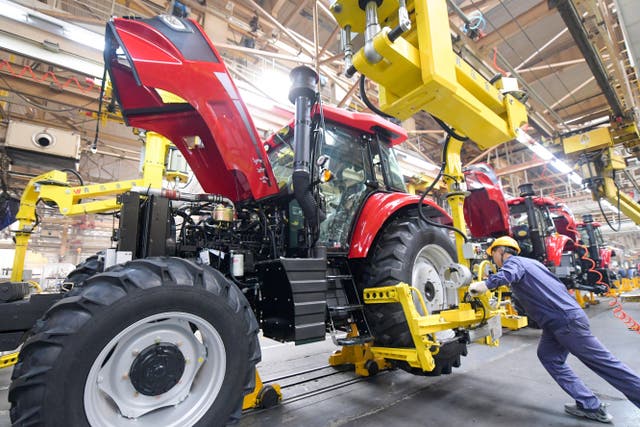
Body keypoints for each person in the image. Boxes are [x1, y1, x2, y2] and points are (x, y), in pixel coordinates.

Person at [469, 236, 640, 424]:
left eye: (493, 254)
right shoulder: (533, 264)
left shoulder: (514, 262)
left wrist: (485, 284)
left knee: (604, 363)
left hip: (565, 321)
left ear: (500, 251)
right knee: (548, 356)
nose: (493, 259)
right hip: (557, 322)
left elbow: (508, 274)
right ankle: (589, 404)